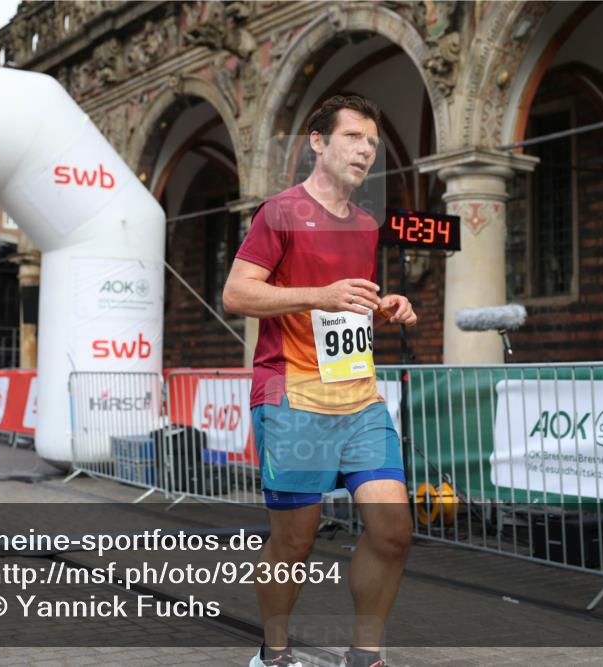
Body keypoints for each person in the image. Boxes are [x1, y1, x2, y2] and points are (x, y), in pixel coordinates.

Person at [222, 95, 417, 667]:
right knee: (295, 542)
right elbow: (236, 294)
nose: (365, 150)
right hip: (292, 394)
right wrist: (320, 295)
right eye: (354, 137)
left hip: (357, 396)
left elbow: (345, 305)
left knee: (393, 531)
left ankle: (366, 655)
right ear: (318, 142)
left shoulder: (364, 225)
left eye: (372, 144)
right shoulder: (279, 213)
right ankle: (274, 654)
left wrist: (384, 306)